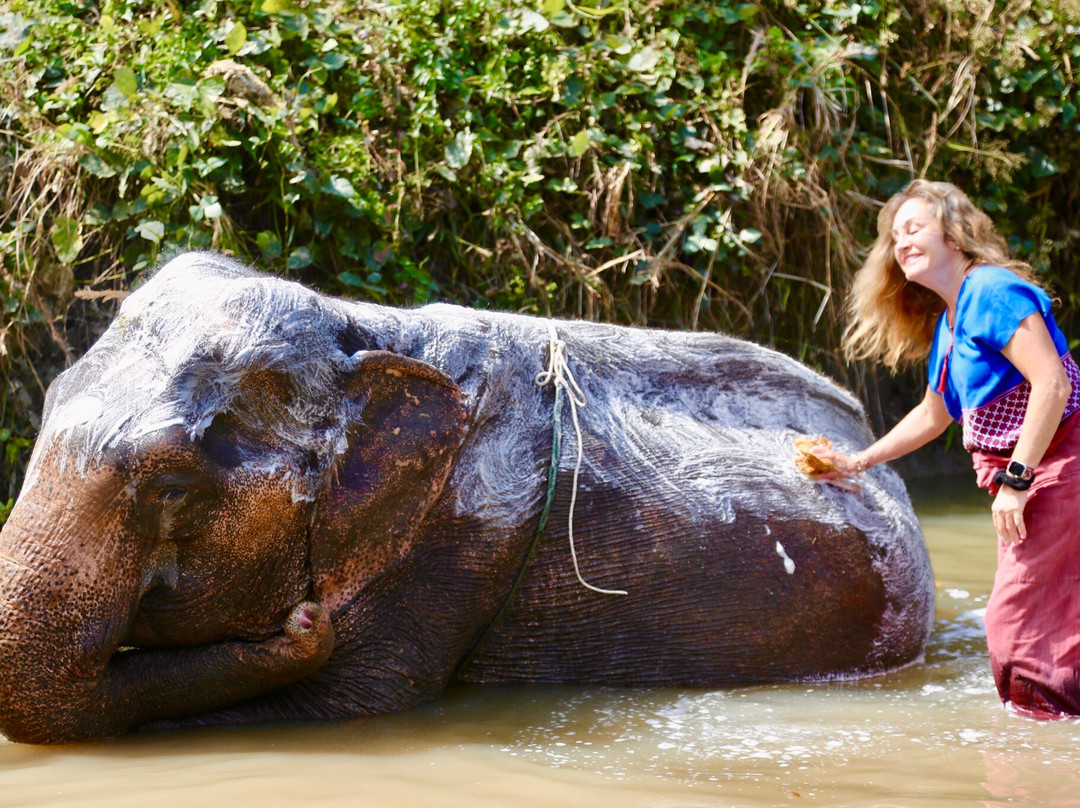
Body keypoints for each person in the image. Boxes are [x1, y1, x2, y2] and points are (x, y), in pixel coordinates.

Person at [811, 179, 1080, 718]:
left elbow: (1053, 384)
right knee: (1048, 615)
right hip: (1025, 479)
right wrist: (857, 462)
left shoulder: (993, 291)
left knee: (1015, 625)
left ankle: (1032, 765)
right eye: (894, 235)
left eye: (914, 228)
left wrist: (1017, 479)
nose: (900, 243)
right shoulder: (952, 321)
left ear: (953, 235)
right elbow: (935, 415)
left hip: (1057, 466)